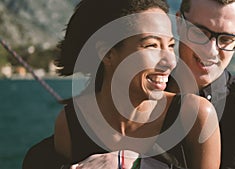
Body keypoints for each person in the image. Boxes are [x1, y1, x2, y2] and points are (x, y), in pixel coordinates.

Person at [22, 0, 221, 169]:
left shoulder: (197, 116)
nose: (170, 61)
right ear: (107, 53)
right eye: (151, 45)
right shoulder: (70, 122)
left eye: (170, 46)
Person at [166, 0, 235, 168]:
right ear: (178, 22)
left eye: (227, 39)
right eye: (200, 32)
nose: (211, 51)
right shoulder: (142, 88)